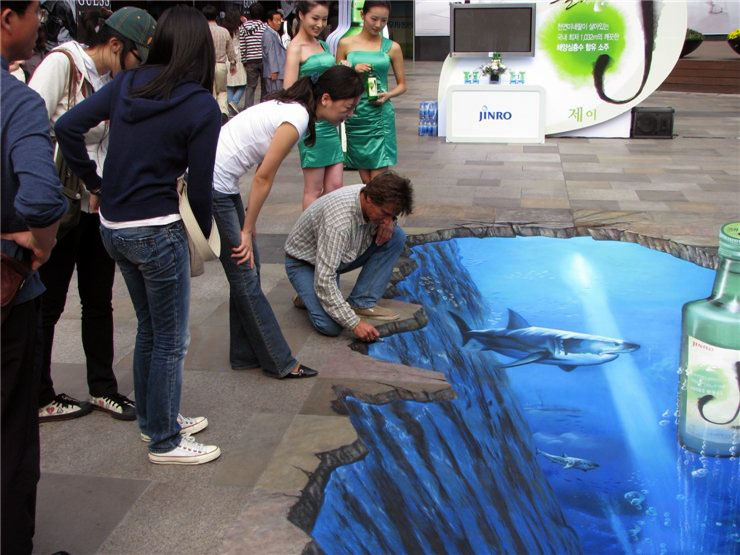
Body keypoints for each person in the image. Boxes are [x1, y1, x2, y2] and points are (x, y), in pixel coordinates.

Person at [55, 5, 222, 466]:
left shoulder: (128, 83)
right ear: (202, 51)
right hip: (156, 230)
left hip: (113, 228)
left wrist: (95, 183)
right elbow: (202, 187)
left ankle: (153, 418)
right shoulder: (200, 105)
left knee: (150, 329)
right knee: (170, 339)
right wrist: (204, 236)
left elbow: (67, 127)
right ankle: (165, 440)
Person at [29, 6, 155, 425]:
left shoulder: (113, 81)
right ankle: (39, 394)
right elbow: (29, 126)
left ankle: (103, 388)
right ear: (115, 45)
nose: (136, 67)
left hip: (98, 206)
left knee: (98, 299)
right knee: (49, 301)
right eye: (135, 57)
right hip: (60, 204)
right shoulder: (62, 64)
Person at [212, 64, 362, 377]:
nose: (349, 115)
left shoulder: (294, 109)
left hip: (221, 184)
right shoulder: (296, 117)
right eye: (347, 107)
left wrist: (248, 222)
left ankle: (243, 354)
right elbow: (263, 177)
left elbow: (260, 169)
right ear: (325, 99)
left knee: (248, 270)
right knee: (245, 273)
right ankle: (279, 362)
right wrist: (247, 229)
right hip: (214, 186)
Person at [1, 2, 68, 552]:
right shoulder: (16, 102)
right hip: (8, 299)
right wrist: (39, 241)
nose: (39, 25)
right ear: (7, 18)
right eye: (35, 14)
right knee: (10, 437)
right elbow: (43, 198)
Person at [284, 171, 413, 341]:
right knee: (331, 326)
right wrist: (355, 323)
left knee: (396, 236)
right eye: (384, 213)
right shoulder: (338, 223)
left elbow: (388, 216)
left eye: (393, 215)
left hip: (341, 255)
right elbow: (325, 280)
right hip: (305, 263)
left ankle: (361, 302)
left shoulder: (373, 194)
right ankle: (308, 295)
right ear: (369, 199)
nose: (387, 220)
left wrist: (392, 222)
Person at [336, 0, 406, 184]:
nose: (378, 25)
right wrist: (352, 69)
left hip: (380, 114)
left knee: (377, 181)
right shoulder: (345, 44)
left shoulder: (392, 47)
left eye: (384, 20)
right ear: (362, 15)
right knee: (366, 180)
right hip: (355, 114)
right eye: (374, 19)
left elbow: (402, 85)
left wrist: (389, 95)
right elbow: (336, 77)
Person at [284, 1, 342, 210]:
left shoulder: (323, 45)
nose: (320, 24)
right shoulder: (295, 48)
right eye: (315, 18)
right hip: (312, 125)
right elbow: (289, 91)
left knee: (335, 186)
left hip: (330, 122)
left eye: (324, 19)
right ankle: (309, 230)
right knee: (314, 190)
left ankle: (330, 228)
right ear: (301, 15)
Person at [203, 4, 236, 121]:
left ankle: (210, 113)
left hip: (206, 66)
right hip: (221, 65)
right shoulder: (224, 31)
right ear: (216, 16)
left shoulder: (202, 31)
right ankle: (223, 112)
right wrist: (233, 63)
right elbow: (230, 50)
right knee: (222, 91)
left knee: (208, 91)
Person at [238, 2, 266, 108]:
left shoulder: (243, 27)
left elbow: (243, 46)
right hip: (263, 60)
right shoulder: (265, 26)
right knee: (264, 86)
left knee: (250, 86)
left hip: (250, 60)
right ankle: (263, 108)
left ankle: (247, 109)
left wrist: (244, 60)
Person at [222, 7, 246, 115]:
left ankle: (230, 105)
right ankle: (234, 102)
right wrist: (245, 22)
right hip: (238, 58)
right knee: (243, 83)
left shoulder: (224, 30)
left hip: (227, 58)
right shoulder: (240, 30)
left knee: (229, 84)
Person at [261, 9, 285, 95]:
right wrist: (274, 70)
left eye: (280, 20)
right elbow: (270, 53)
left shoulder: (274, 33)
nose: (279, 23)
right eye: (276, 20)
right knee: (274, 95)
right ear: (269, 21)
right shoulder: (268, 34)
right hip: (274, 72)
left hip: (277, 71)